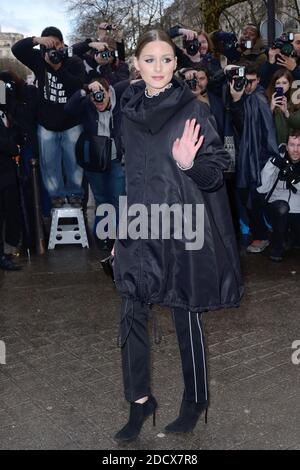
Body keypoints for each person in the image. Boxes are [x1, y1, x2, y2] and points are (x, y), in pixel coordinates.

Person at [112, 29, 243, 442]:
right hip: (138, 225)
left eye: (166, 59)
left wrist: (189, 163)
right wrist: (120, 231)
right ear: (136, 63)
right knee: (131, 312)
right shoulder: (126, 111)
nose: (158, 68)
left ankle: (196, 399)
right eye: (149, 59)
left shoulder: (194, 109)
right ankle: (139, 401)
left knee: (186, 313)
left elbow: (214, 173)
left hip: (182, 225)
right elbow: (128, 172)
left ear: (176, 64)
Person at [12, 26, 85, 209]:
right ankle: (57, 196)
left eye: (56, 44)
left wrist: (58, 67)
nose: (53, 49)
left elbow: (76, 86)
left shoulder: (73, 60)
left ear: (62, 43)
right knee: (49, 164)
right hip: (47, 124)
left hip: (71, 123)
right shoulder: (39, 60)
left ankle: (75, 194)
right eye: (49, 44)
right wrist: (36, 40)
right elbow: (16, 49)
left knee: (74, 163)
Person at [65, 77, 126, 250]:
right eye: (95, 97)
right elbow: (68, 109)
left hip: (115, 159)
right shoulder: (87, 104)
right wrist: (85, 91)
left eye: (102, 96)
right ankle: (103, 237)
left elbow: (139, 82)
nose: (98, 100)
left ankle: (118, 240)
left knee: (117, 200)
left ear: (109, 93)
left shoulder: (120, 100)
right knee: (101, 199)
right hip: (95, 161)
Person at [229, 63, 279, 253]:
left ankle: (262, 236)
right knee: (247, 198)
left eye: (250, 81)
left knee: (254, 199)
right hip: (246, 159)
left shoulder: (257, 99)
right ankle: (262, 234)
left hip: (258, 160)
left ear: (258, 80)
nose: (246, 85)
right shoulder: (245, 97)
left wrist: (268, 160)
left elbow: (264, 131)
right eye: (243, 81)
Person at [257, 129, 300, 261]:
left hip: (297, 213)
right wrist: (272, 164)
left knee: (295, 244)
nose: (295, 150)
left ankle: (290, 240)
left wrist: (294, 179)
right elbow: (261, 189)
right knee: (282, 208)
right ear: (286, 146)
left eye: (299, 145)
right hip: (276, 209)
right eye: (292, 145)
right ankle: (276, 250)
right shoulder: (278, 158)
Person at [0, 78, 22, 271]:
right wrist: (14, 148)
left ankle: (8, 249)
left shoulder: (4, 109)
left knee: (10, 210)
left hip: (7, 171)